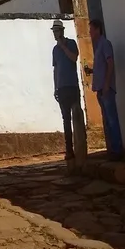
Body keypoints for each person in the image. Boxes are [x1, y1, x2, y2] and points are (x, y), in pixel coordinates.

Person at [90, 19, 124, 161]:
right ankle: (113, 150)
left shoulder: (105, 44)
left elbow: (110, 64)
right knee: (107, 119)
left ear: (98, 30)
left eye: (91, 29)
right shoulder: (99, 46)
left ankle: (117, 151)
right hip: (101, 88)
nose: (90, 32)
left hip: (106, 89)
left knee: (111, 119)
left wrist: (106, 84)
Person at [51, 19, 80, 161]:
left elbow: (74, 58)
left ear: (61, 32)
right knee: (66, 120)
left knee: (77, 117)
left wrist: (63, 47)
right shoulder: (54, 50)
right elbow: (55, 69)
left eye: (56, 31)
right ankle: (69, 150)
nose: (55, 34)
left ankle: (81, 147)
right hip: (61, 88)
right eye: (54, 31)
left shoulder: (71, 43)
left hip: (72, 86)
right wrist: (55, 86)